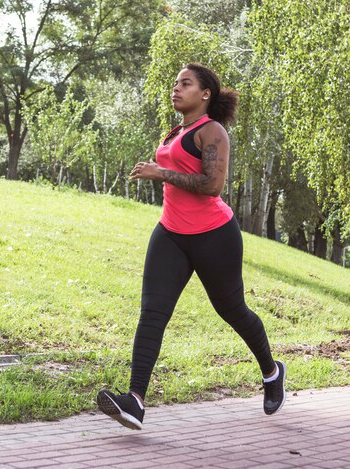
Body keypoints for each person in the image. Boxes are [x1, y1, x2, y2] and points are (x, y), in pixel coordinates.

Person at [97, 63, 286, 430]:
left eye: (186, 84)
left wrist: (159, 172)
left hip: (214, 234)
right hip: (170, 232)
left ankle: (271, 371)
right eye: (174, 84)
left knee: (231, 309)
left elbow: (212, 186)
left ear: (205, 95)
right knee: (153, 312)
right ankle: (135, 401)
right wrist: (158, 169)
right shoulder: (175, 131)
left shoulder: (212, 131)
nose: (176, 89)